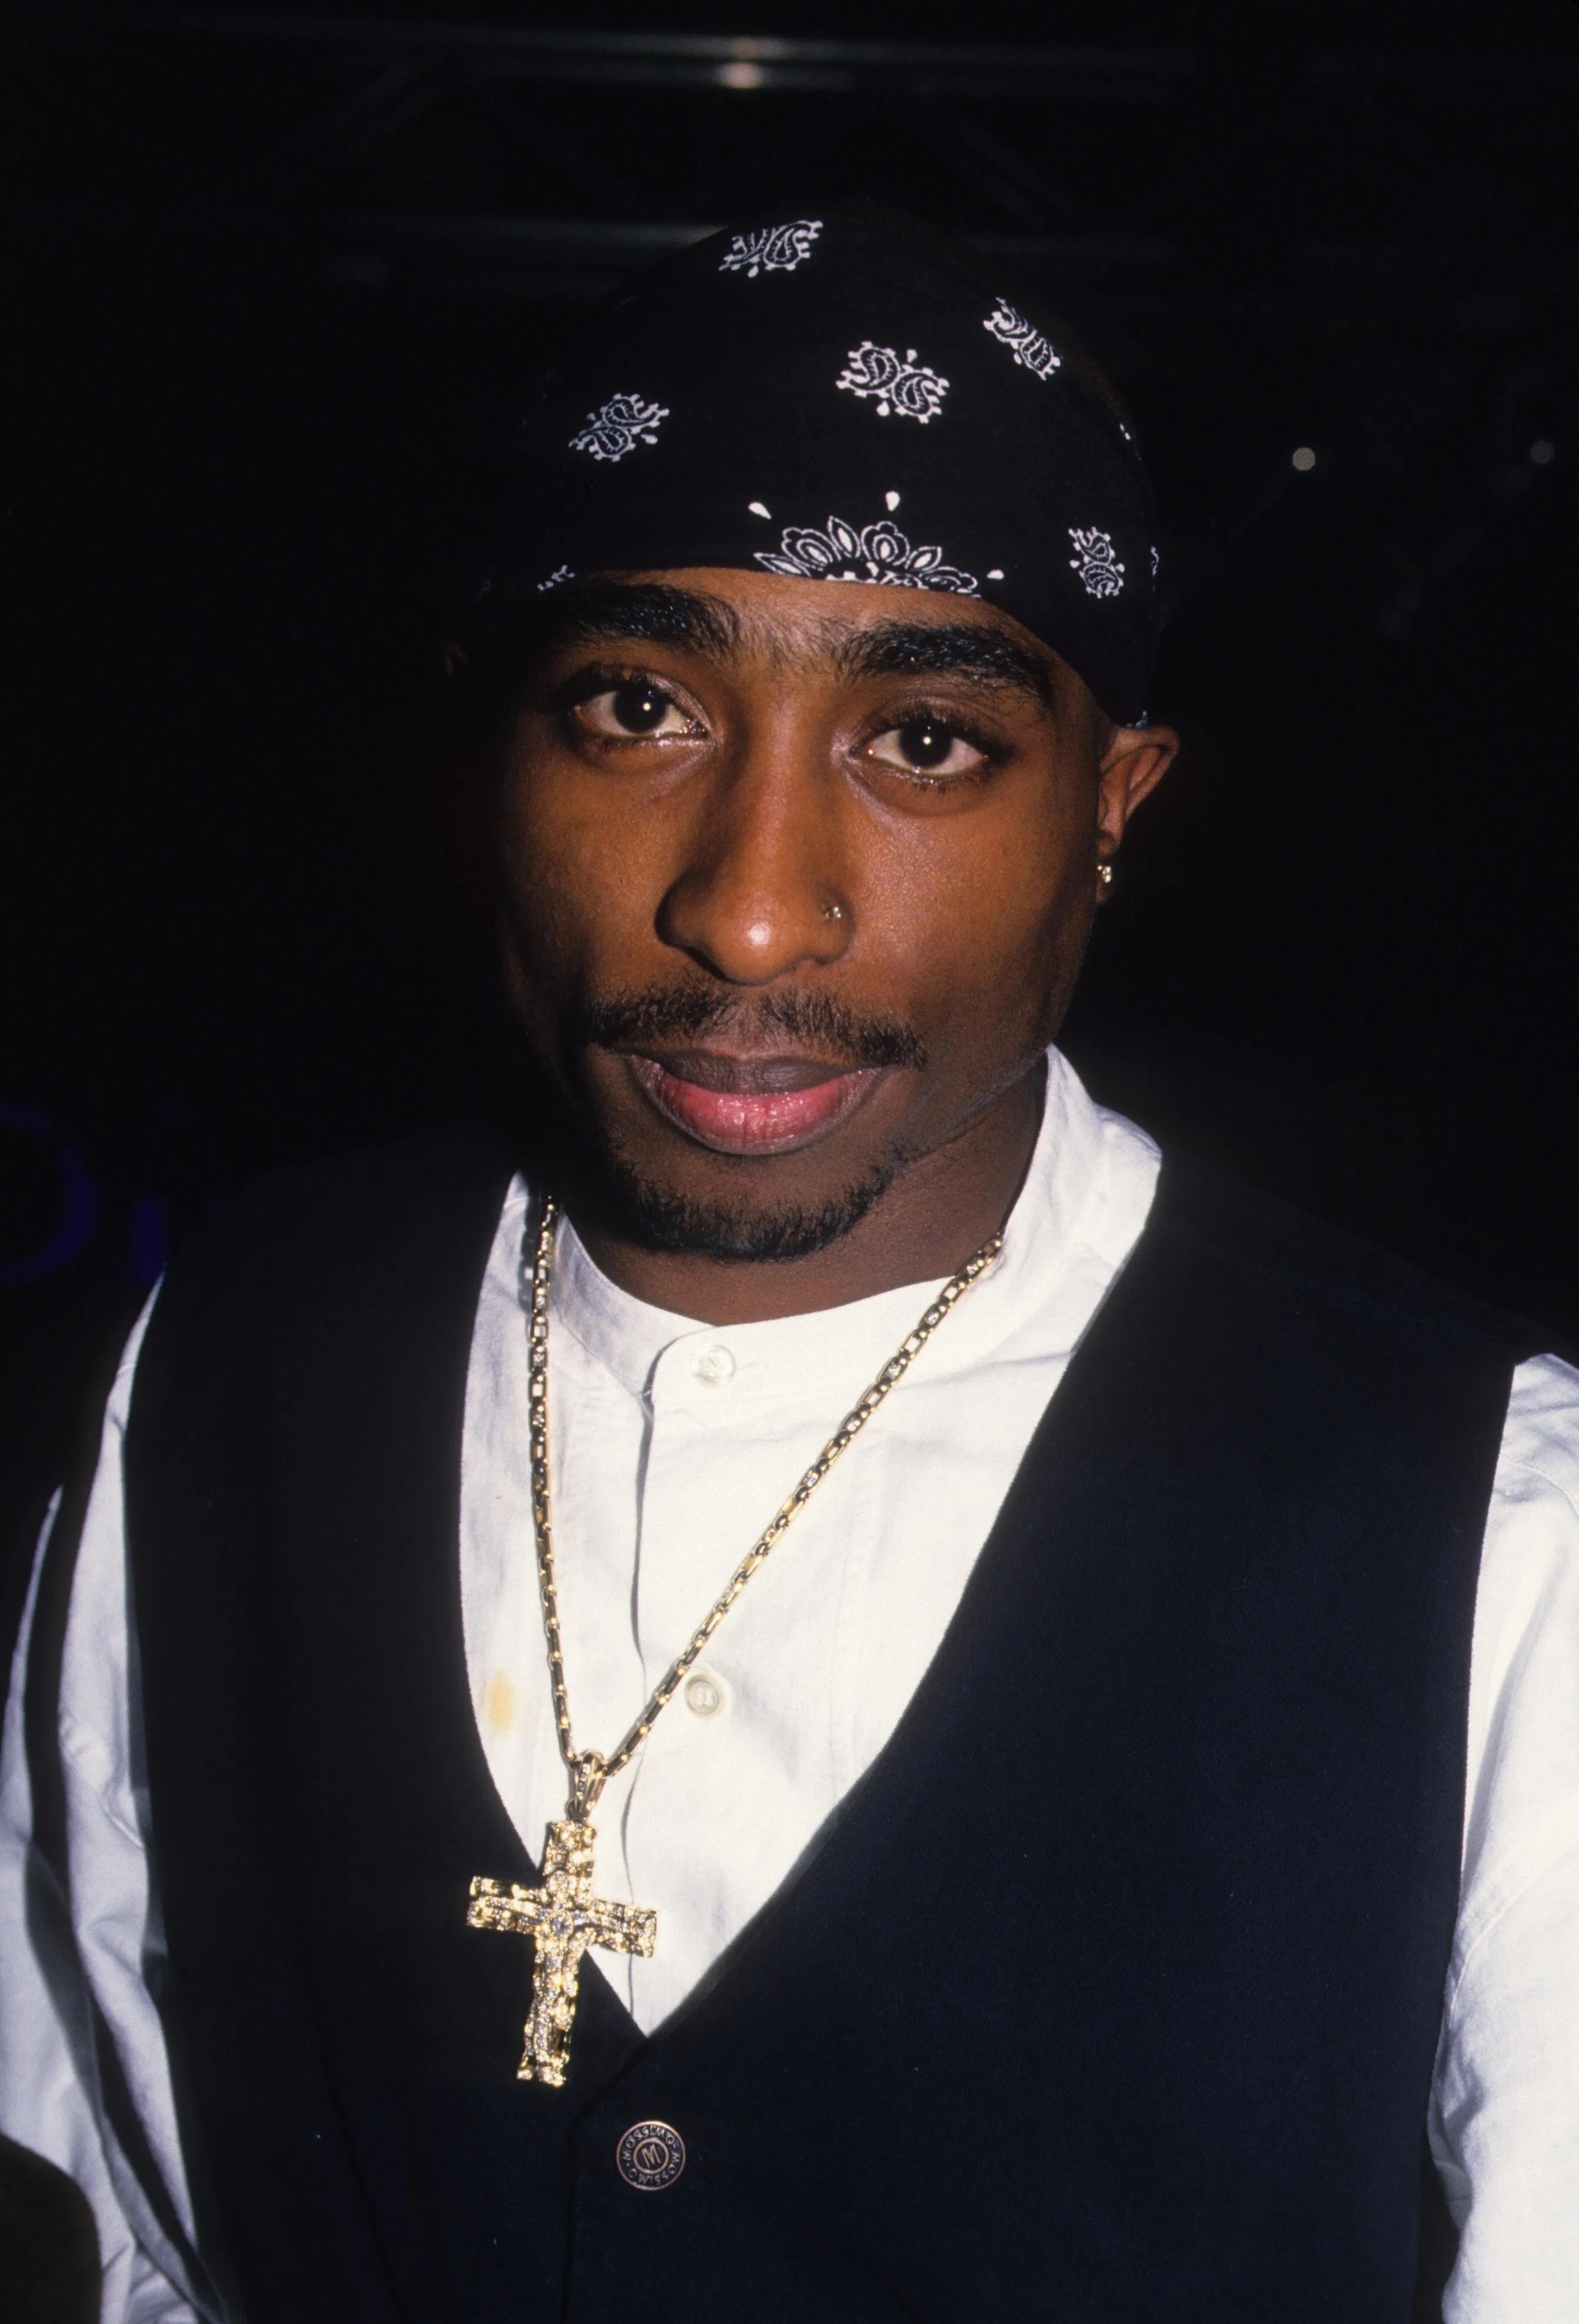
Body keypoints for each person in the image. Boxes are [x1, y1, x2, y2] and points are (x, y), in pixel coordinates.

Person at [2, 209, 1575, 2324]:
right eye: (637, 705)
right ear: (492, 758)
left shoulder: (1485, 1520)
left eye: (923, 740)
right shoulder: (215, 1366)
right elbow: (99, 2183)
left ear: (1110, 803)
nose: (749, 915)